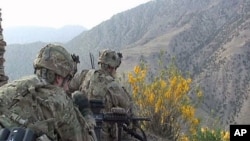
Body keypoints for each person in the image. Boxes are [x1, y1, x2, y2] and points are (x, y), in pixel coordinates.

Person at [0, 44, 96, 141]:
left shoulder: (8, 88)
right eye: (68, 79)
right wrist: (86, 113)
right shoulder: (59, 100)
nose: (67, 87)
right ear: (59, 78)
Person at [69, 49, 136, 141]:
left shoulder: (84, 74)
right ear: (110, 68)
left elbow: (68, 88)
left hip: (82, 133)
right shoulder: (114, 86)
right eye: (115, 68)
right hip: (103, 136)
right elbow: (129, 107)